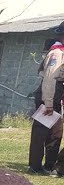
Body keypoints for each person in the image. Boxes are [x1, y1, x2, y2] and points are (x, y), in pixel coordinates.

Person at [29, 24, 64, 176]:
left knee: (56, 132)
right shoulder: (57, 53)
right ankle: (35, 166)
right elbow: (50, 78)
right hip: (48, 93)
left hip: (57, 94)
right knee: (41, 132)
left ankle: (50, 166)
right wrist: (48, 103)